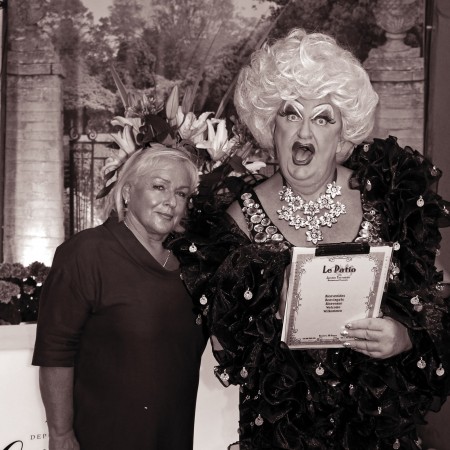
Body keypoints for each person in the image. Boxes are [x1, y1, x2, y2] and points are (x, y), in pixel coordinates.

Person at [170, 29, 450, 449]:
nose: (304, 131)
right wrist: (270, 316)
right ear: (272, 127)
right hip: (283, 436)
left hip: (376, 430)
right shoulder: (237, 222)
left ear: (342, 136)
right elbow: (225, 343)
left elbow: (437, 298)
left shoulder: (387, 200)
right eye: (291, 114)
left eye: (322, 118)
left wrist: (404, 336)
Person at [32, 145, 206, 450]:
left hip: (173, 434)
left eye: (181, 193)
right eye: (159, 187)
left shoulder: (192, 264)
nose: (171, 201)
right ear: (127, 192)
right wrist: (61, 434)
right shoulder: (86, 253)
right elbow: (55, 352)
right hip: (103, 435)